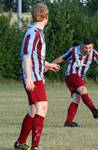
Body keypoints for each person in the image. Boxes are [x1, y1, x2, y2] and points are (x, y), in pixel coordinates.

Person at [14, 3, 60, 150]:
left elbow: (34, 56)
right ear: (46, 17)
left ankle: (21, 143)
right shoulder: (33, 32)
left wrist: (47, 64)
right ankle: (35, 146)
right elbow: (26, 56)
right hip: (33, 77)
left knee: (33, 110)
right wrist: (28, 77)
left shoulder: (37, 32)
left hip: (35, 75)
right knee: (42, 107)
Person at [53, 37, 98, 127]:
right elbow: (62, 58)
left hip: (79, 78)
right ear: (81, 46)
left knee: (76, 98)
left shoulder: (94, 53)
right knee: (83, 89)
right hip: (71, 75)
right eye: (86, 48)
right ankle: (94, 110)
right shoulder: (74, 50)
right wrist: (51, 65)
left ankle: (68, 122)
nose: (88, 50)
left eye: (90, 48)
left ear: (92, 46)